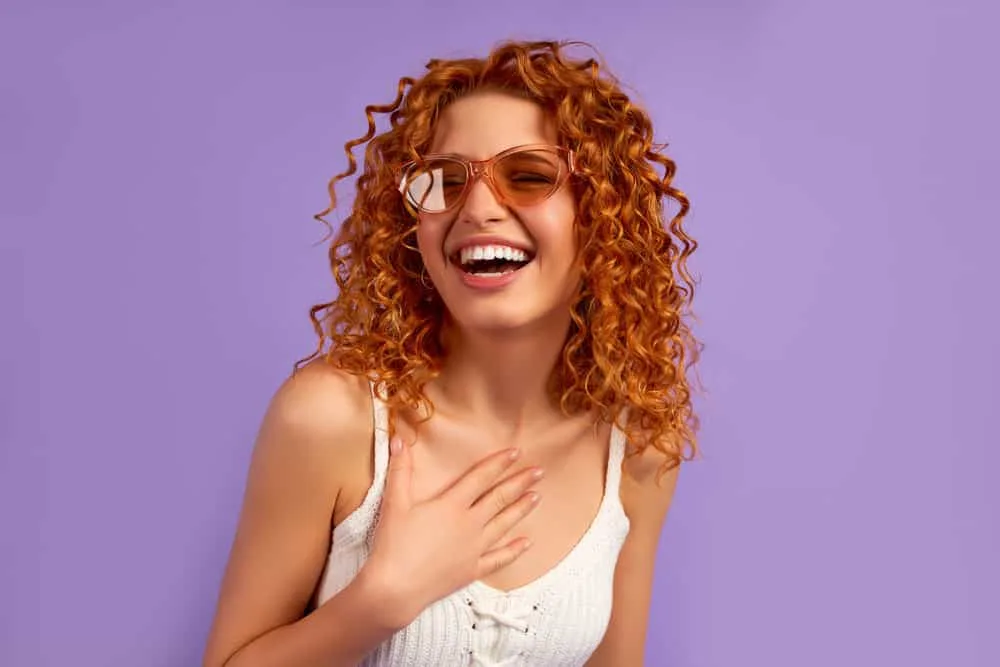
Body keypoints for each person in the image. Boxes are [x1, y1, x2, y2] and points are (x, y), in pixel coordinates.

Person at [202, 39, 700, 667]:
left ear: (599, 215)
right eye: (442, 181)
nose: (479, 208)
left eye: (528, 176)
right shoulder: (330, 419)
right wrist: (382, 601)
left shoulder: (638, 449)